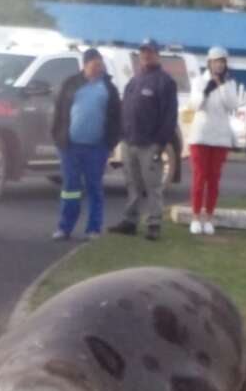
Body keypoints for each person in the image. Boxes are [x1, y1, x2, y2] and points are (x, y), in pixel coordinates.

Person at [109, 39, 178, 242]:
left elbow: (169, 117)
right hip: (130, 141)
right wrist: (122, 135)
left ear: (157, 54)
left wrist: (160, 144)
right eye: (143, 52)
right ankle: (130, 221)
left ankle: (154, 224)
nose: (146, 55)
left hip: (150, 144)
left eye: (150, 52)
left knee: (153, 186)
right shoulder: (135, 80)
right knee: (132, 184)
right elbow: (127, 109)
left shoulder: (165, 81)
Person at [50, 48, 122, 241]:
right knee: (70, 188)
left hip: (97, 148)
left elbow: (117, 118)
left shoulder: (109, 88)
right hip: (70, 147)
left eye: (100, 64)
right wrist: (58, 138)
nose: (98, 68)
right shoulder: (70, 84)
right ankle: (64, 227)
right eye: (94, 64)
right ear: (85, 65)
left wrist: (110, 143)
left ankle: (94, 228)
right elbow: (58, 112)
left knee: (94, 188)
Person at [187, 46, 237, 236]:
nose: (219, 64)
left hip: (220, 137)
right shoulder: (199, 81)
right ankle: (195, 217)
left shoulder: (229, 83)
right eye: (216, 61)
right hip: (200, 136)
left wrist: (221, 86)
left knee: (214, 178)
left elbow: (232, 105)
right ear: (209, 63)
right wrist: (207, 90)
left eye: (222, 61)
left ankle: (209, 217)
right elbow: (195, 105)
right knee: (200, 177)